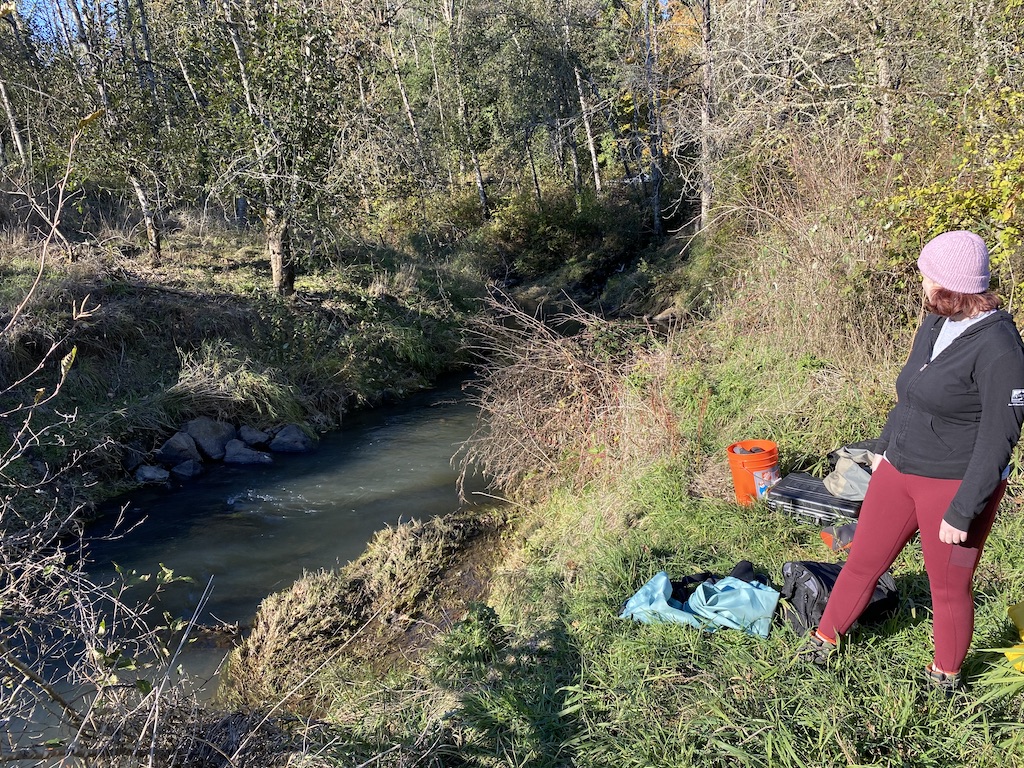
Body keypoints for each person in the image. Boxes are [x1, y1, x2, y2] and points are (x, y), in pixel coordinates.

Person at [803, 230, 1024, 691]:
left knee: (947, 588)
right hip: (900, 469)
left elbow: (1000, 436)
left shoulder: (1000, 348)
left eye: (927, 278)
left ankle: (945, 677)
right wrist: (883, 451)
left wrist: (965, 509)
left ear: (953, 286)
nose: (921, 285)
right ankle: (825, 639)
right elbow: (910, 397)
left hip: (954, 485)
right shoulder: (936, 323)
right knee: (863, 559)